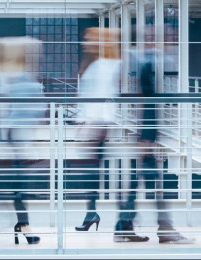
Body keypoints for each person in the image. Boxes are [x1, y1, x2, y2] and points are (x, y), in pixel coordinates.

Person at [113, 42, 196, 244]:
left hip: (146, 135)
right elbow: (147, 102)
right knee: (151, 184)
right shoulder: (145, 63)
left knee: (141, 183)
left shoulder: (142, 62)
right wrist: (147, 138)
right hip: (146, 136)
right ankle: (161, 228)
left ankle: (126, 226)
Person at [0, 37, 43, 244]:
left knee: (17, 186)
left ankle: (21, 224)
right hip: (10, 140)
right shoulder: (9, 77)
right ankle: (19, 224)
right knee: (11, 185)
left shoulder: (18, 77)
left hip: (15, 140)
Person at [75, 27, 121, 231]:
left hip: (96, 124)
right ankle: (91, 212)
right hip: (94, 123)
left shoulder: (105, 65)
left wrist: (89, 123)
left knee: (91, 171)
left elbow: (103, 97)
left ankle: (92, 213)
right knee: (90, 172)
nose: (84, 43)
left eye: (88, 39)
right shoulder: (97, 63)